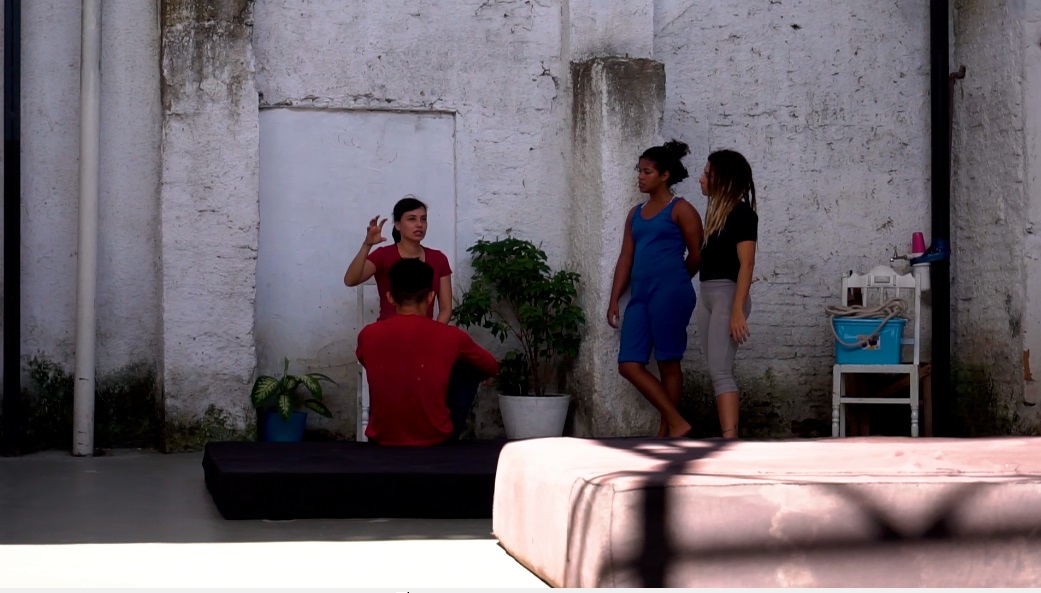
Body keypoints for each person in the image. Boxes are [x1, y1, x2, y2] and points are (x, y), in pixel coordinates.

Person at [607, 140, 704, 438]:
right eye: (639, 171)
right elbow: (626, 257)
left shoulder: (681, 209)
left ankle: (667, 432)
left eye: (646, 172)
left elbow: (697, 255)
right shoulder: (635, 214)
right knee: (628, 364)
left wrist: (675, 280)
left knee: (667, 361)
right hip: (640, 297)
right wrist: (614, 299)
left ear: (664, 175)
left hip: (671, 294)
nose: (640, 176)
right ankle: (677, 421)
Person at [356, 258, 499, 446]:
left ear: (390, 297)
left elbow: (365, 360)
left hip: (382, 438)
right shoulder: (451, 336)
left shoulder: (368, 335)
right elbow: (491, 366)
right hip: (435, 439)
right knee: (467, 368)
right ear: (431, 297)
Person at [695, 149, 758, 439]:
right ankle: (727, 437)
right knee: (715, 370)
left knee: (721, 372)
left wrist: (736, 310)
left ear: (724, 180)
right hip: (708, 294)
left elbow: (747, 263)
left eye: (707, 174)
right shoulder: (716, 213)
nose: (701, 179)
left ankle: (729, 441)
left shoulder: (743, 214)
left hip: (727, 296)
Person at [344, 195, 453, 323]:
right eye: (412, 219)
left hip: (425, 330)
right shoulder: (383, 255)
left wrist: (433, 332)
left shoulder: (438, 258)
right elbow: (350, 280)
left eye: (423, 219)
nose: (419, 224)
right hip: (388, 330)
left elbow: (446, 309)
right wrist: (367, 245)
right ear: (398, 225)